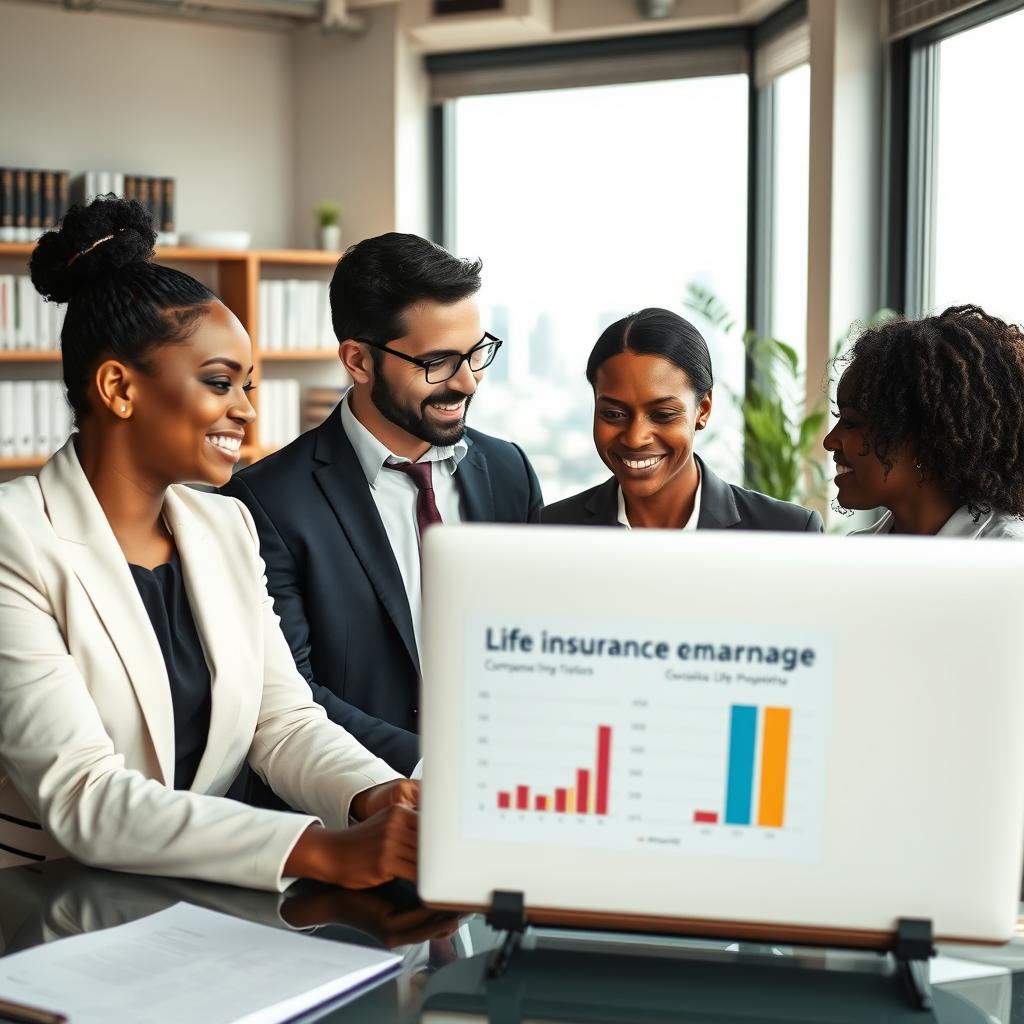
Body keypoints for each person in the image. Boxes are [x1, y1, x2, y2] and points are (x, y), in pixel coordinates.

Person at [0, 197, 420, 893]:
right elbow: (82, 796)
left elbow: (281, 721)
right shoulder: (16, 538)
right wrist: (323, 851)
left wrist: (379, 798)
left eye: (248, 386)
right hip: (41, 907)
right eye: (220, 382)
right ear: (118, 388)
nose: (248, 409)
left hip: (195, 894)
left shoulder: (227, 526)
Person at [221, 233, 542, 777]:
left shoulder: (510, 471)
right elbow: (289, 694)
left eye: (476, 353)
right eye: (438, 361)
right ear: (359, 361)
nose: (467, 382)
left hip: (516, 785)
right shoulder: (265, 503)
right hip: (358, 807)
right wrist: (439, 768)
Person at [536, 307, 822, 532]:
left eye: (662, 415)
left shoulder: (786, 531)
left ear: (704, 409)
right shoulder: (550, 530)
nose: (635, 437)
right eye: (613, 414)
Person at [824, 304, 1024, 538]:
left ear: (927, 436)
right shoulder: (854, 551)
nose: (830, 441)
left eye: (851, 422)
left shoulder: (1008, 555)